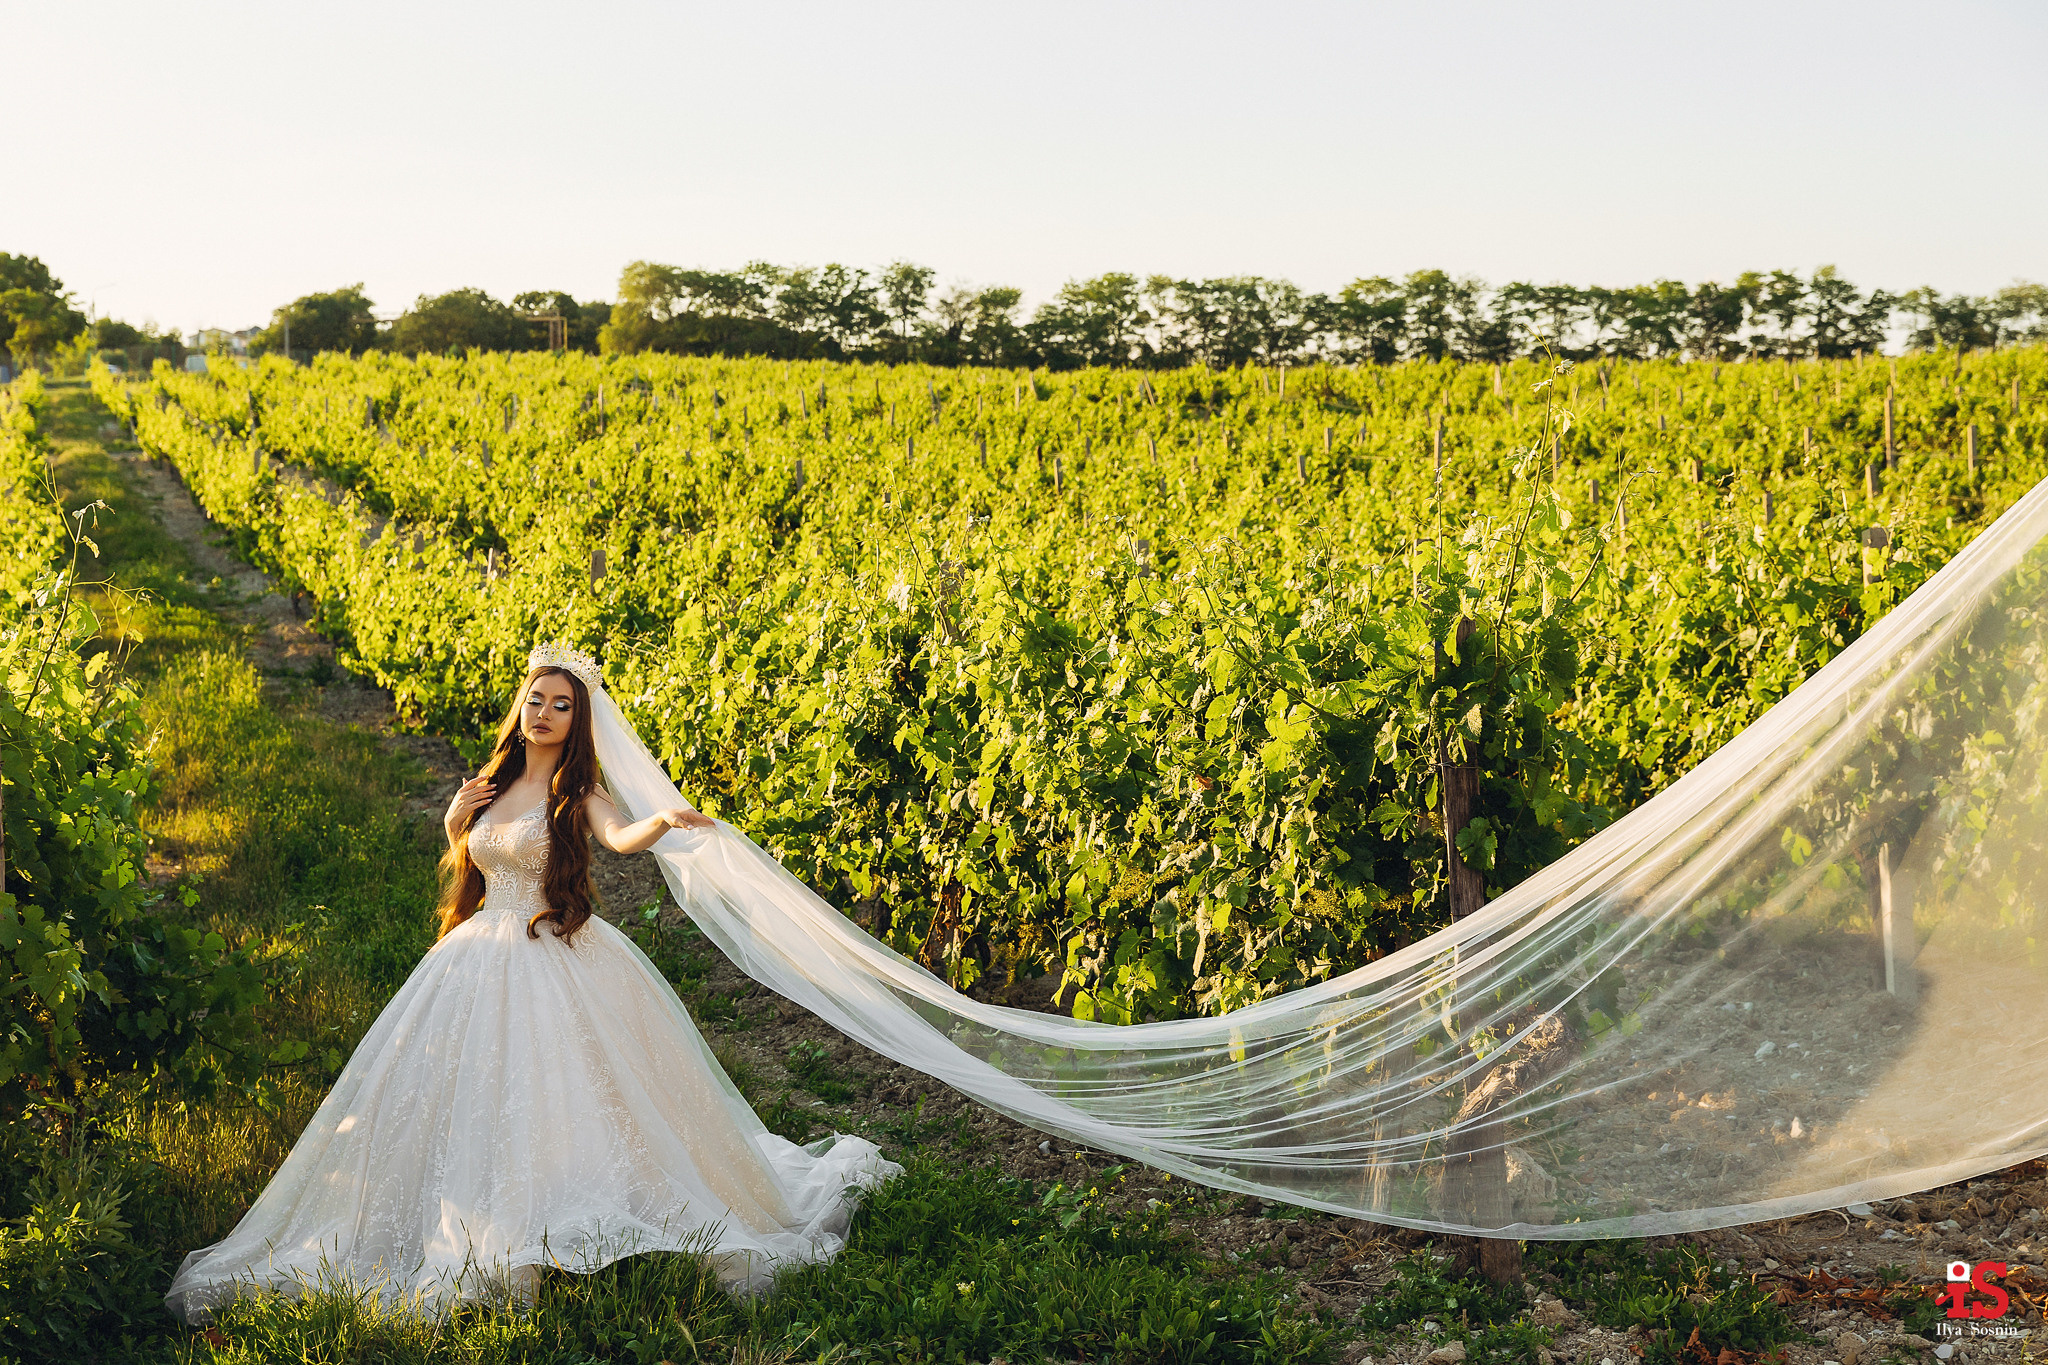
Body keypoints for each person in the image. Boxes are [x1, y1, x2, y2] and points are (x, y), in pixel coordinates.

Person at [165, 645, 898, 1321]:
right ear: (522, 706)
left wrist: (661, 824)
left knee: (571, 1090)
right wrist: (455, 824)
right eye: (536, 699)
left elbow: (616, 837)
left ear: (579, 721)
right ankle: (482, 1220)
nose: (543, 713)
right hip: (479, 951)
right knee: (469, 1091)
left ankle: (558, 1218)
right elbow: (474, 864)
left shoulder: (579, 792)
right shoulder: (493, 782)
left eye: (561, 704)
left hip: (555, 947)